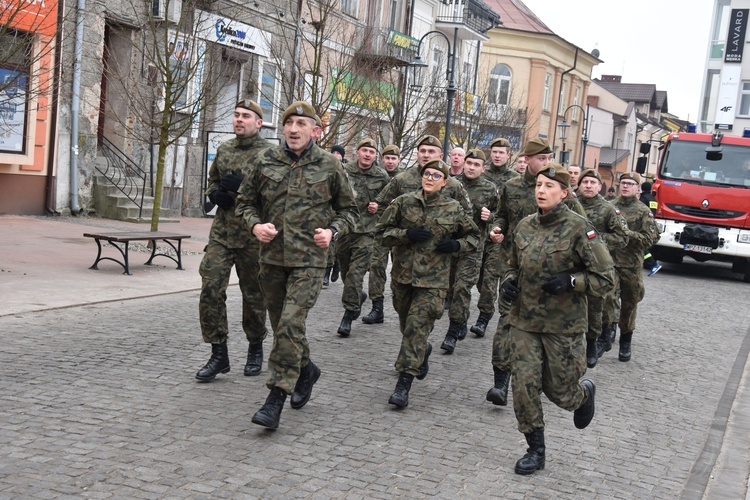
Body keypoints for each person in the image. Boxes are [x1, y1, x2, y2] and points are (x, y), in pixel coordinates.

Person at [236, 101, 358, 430]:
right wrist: (254, 226)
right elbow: (244, 202)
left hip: (310, 261)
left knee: (290, 324)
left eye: (301, 124)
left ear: (315, 131)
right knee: (283, 329)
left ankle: (275, 398)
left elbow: (350, 211)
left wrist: (332, 231)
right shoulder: (265, 160)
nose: (293, 129)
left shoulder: (330, 167)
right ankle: (307, 370)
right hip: (272, 258)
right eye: (289, 123)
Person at [500, 164, 614, 475]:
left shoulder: (581, 229)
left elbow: (605, 280)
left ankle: (583, 395)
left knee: (561, 392)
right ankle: (535, 449)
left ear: (564, 193)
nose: (541, 190)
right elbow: (511, 263)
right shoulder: (524, 226)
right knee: (523, 385)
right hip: (524, 321)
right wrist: (509, 280)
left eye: (549, 186)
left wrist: (572, 282)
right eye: (538, 184)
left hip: (562, 325)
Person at [485, 139, 585, 407]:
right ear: (527, 160)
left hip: (552, 279)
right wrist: (496, 229)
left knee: (541, 336)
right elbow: (501, 215)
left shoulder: (563, 193)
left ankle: (539, 379)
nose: (546, 162)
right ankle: (500, 382)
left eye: (548, 157)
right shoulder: (512, 187)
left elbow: (581, 227)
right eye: (541, 158)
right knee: (506, 324)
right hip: (516, 270)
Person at [376, 159, 479, 408]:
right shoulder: (404, 202)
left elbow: (474, 237)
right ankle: (421, 350)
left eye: (436, 175)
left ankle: (403, 384)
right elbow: (381, 233)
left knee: (415, 327)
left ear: (445, 182)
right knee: (407, 326)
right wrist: (405, 235)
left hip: (434, 282)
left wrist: (456, 245)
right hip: (403, 278)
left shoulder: (454, 208)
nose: (430, 178)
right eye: (426, 174)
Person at [196, 99, 270, 382]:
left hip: (253, 237)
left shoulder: (269, 155)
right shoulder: (225, 149)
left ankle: (255, 346)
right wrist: (215, 195)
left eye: (246, 116)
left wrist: (242, 191)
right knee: (211, 288)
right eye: (236, 115)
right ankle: (218, 353)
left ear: (259, 122)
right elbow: (213, 181)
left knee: (254, 295)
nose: (239, 120)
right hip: (223, 233)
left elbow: (274, 198)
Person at [442, 149, 498, 353]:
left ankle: (452, 331)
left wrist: (490, 217)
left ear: (483, 169)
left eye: (477, 165)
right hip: (451, 244)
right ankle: (461, 318)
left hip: (474, 247)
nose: (472, 168)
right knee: (449, 288)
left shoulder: (490, 189)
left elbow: (499, 215)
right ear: (463, 164)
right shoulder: (451, 183)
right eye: (469, 163)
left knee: (462, 287)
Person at [600, 172, 659, 363]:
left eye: (630, 184)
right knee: (608, 298)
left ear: (637, 188)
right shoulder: (609, 206)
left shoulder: (643, 211)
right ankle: (606, 333)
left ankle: (626, 339)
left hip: (631, 265)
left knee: (629, 304)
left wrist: (627, 234)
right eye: (623, 183)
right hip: (610, 263)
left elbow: (649, 239)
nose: (625, 186)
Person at [335, 139, 390, 337]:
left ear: (376, 156)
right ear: (357, 152)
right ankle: (357, 297)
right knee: (345, 272)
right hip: (345, 229)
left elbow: (389, 202)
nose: (367, 154)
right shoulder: (343, 170)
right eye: (364, 150)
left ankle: (349, 314)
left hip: (367, 232)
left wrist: (378, 206)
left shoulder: (381, 176)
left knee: (355, 275)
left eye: (371, 152)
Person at [577, 169, 629, 368]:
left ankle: (592, 344)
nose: (588, 186)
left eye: (592, 182)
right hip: (572, 263)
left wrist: (596, 240)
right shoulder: (570, 206)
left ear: (600, 187)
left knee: (595, 307)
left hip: (598, 266)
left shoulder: (608, 210)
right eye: (585, 182)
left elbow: (623, 237)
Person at [471, 137, 517, 337]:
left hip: (503, 238)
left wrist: (495, 220)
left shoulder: (515, 181)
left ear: (508, 155)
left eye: (502, 152)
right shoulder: (483, 175)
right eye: (495, 152)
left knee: (491, 278)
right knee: (482, 281)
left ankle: (484, 317)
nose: (497, 155)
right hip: (482, 237)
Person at [363, 144, 402, 324]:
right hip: (379, 229)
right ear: (383, 159)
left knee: (399, 269)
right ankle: (377, 307)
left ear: (398, 160)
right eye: (387, 158)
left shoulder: (404, 179)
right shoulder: (377, 175)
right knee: (377, 266)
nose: (390, 161)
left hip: (399, 232)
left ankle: (401, 304)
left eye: (394, 158)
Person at [323, 145, 346, 286]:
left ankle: (336, 264)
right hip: (327, 212)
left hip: (339, 214)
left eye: (339, 153)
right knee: (328, 245)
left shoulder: (345, 170)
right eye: (334, 152)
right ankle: (326, 273)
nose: (336, 155)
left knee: (337, 245)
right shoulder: (326, 168)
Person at [639, 181, 662, 276]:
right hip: (650, 225)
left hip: (642, 225)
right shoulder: (653, 200)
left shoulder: (643, 199)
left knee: (640, 245)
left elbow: (639, 212)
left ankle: (653, 264)